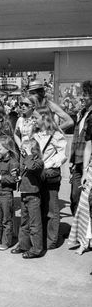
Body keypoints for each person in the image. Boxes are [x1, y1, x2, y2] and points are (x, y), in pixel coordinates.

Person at [32, 106, 67, 250]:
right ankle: (40, 237)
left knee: (52, 207)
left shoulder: (56, 135)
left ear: (44, 118)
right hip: (36, 175)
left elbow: (62, 155)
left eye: (35, 117)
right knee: (39, 206)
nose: (33, 120)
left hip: (49, 173)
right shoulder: (35, 134)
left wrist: (48, 164)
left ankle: (51, 240)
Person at [68, 85, 92, 255]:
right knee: (74, 197)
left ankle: (84, 236)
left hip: (86, 164)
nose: (81, 98)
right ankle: (80, 234)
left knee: (83, 200)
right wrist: (72, 160)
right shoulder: (82, 114)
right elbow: (78, 139)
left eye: (85, 95)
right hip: (78, 161)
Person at [11, 139, 44, 259]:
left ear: (33, 150)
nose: (22, 152)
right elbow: (24, 173)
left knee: (35, 224)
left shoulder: (38, 162)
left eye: (24, 150)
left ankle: (36, 249)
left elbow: (31, 167)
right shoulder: (26, 160)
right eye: (22, 150)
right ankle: (24, 245)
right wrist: (17, 176)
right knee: (24, 222)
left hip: (33, 196)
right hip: (24, 194)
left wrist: (29, 154)